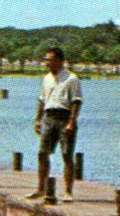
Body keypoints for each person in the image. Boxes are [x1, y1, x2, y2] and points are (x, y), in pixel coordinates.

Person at [29, 47, 82, 201]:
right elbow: (42, 100)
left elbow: (76, 101)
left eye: (50, 60)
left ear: (60, 61)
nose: (47, 63)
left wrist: (72, 122)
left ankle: (68, 192)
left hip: (64, 116)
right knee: (42, 153)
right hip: (49, 116)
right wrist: (38, 119)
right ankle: (41, 188)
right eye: (46, 60)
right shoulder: (46, 78)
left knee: (67, 155)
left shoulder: (71, 78)